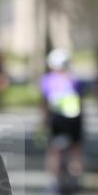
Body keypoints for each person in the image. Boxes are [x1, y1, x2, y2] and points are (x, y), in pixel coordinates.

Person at [40, 48, 85, 181]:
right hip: (74, 118)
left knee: (55, 149)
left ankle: (55, 177)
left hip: (57, 118)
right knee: (76, 148)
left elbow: (45, 102)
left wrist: (43, 121)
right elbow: (81, 102)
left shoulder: (47, 80)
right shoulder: (75, 80)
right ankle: (77, 174)